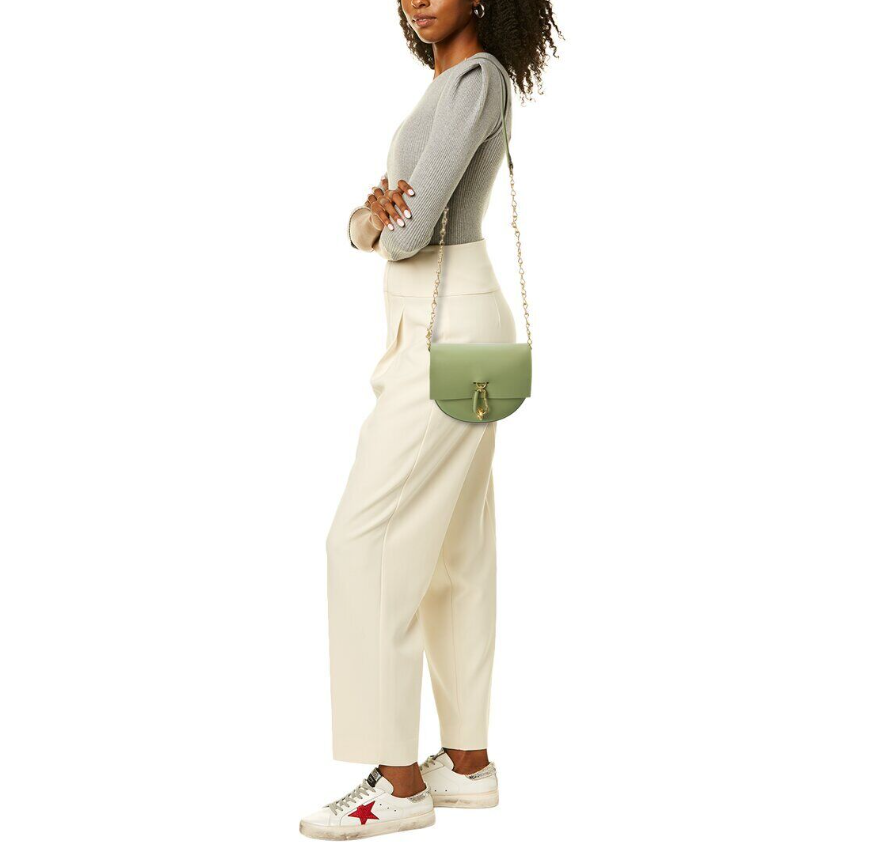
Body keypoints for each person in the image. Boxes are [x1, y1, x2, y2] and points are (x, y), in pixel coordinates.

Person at [300, 0, 561, 839]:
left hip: (447, 333)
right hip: (459, 326)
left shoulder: (476, 82)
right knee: (456, 549)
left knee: (363, 539)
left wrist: (378, 222)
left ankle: (399, 782)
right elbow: (374, 225)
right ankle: (468, 764)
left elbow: (406, 234)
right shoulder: (448, 86)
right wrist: (374, 221)